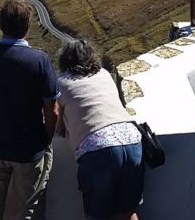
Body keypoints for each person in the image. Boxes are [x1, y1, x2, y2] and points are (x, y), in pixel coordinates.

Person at [0, 0, 59, 220]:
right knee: (24, 213)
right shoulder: (40, 61)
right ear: (27, 27)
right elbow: (52, 111)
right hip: (29, 151)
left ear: (1, 24)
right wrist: (45, 139)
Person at [56, 39, 144, 220]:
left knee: (97, 215)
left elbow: (58, 126)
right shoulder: (104, 74)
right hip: (132, 140)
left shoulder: (62, 83)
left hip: (98, 148)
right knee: (128, 211)